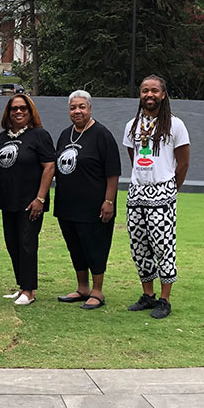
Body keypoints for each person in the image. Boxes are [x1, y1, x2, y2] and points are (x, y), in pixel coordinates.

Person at [123, 75, 190, 320]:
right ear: (140, 95)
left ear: (163, 95)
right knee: (139, 246)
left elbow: (183, 164)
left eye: (154, 91)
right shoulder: (132, 125)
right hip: (137, 192)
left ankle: (165, 299)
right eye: (144, 91)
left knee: (163, 246)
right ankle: (147, 295)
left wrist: (170, 189)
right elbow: (133, 159)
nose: (149, 95)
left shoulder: (175, 125)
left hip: (163, 193)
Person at [54, 90, 120, 310]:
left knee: (95, 247)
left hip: (95, 205)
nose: (77, 111)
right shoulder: (65, 135)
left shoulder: (102, 134)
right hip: (67, 204)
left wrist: (109, 201)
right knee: (75, 247)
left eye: (82, 107)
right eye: (73, 107)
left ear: (90, 109)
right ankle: (82, 287)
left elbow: (113, 172)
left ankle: (97, 291)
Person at [0, 93, 55, 305]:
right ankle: (21, 287)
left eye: (23, 108)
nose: (18, 112)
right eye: (14, 109)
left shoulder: (39, 135)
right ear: (8, 113)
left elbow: (49, 167)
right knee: (12, 244)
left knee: (27, 244)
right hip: (8, 200)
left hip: (31, 202)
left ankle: (30, 290)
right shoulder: (1, 138)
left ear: (30, 112)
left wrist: (40, 198)